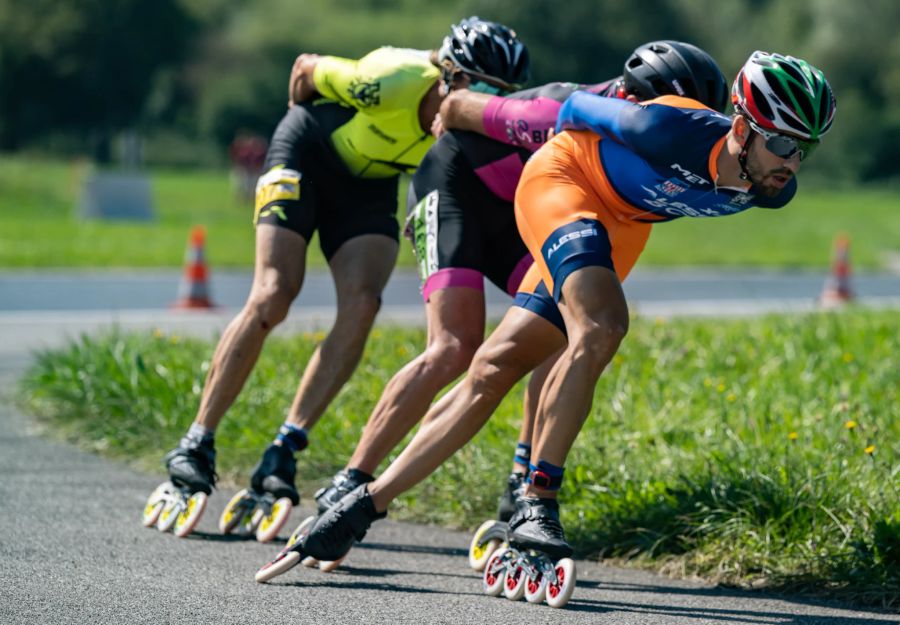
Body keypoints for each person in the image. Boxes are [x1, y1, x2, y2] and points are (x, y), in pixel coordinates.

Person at [259, 50, 836, 587]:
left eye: (804, 148)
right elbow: (564, 104)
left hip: (625, 220)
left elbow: (690, 186)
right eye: (783, 144)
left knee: (494, 367)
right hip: (564, 183)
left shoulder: (771, 187)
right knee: (602, 324)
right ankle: (539, 499)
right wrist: (466, 109)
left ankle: (361, 508)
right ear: (740, 129)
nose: (793, 163)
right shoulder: (665, 126)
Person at [308, 41, 730, 526]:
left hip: (524, 211)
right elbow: (453, 107)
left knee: (560, 328)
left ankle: (522, 471)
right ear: (634, 102)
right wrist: (447, 111)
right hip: (454, 191)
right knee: (454, 346)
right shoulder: (555, 110)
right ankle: (354, 476)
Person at [158, 17, 531, 532]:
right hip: (307, 152)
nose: (488, 103)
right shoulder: (393, 76)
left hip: (370, 183)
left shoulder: (476, 128)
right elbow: (305, 70)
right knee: (275, 293)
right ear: (447, 73)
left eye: (502, 95)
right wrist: (284, 152)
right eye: (482, 87)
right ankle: (196, 440)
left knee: (363, 304)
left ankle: (287, 445)